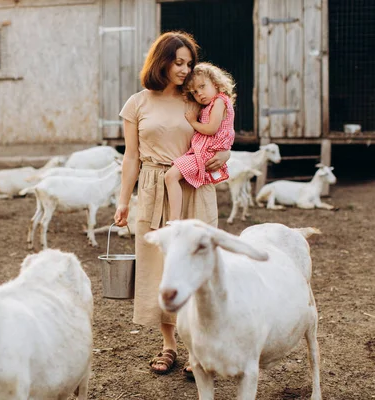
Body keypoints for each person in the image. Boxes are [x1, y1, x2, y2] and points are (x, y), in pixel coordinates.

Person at [114, 31, 230, 376]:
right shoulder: (137, 103)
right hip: (153, 187)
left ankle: (200, 348)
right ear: (160, 62)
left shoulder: (196, 99)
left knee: (198, 266)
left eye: (189, 63)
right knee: (160, 267)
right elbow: (130, 158)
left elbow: (221, 132)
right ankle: (169, 346)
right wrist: (123, 202)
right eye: (178, 62)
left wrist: (225, 151)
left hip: (192, 184)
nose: (185, 69)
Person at [164, 62, 236, 221]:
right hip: (204, 151)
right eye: (195, 92)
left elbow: (211, 129)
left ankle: (174, 219)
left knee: (170, 177)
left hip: (206, 153)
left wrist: (193, 122)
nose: (200, 94)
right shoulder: (211, 104)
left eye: (203, 86)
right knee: (172, 177)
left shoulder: (219, 101)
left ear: (216, 84)